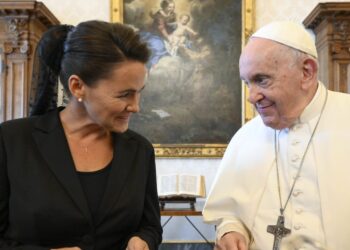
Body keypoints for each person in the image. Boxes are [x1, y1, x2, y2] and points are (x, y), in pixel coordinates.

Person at [0, 20, 162, 250]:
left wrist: (143, 240)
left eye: (138, 93)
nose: (136, 106)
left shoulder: (140, 150)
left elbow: (151, 226)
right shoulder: (11, 141)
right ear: (77, 87)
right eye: (124, 94)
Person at [203, 21, 350, 250]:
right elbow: (228, 213)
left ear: (306, 72)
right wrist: (231, 229)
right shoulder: (246, 137)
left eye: (261, 80)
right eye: (247, 82)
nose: (251, 97)